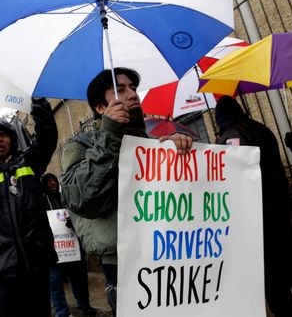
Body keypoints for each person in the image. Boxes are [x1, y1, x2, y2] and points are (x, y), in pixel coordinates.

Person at [60, 67, 193, 315]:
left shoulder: (153, 143)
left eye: (133, 88)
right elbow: (81, 199)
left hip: (167, 250)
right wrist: (110, 134)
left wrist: (179, 150)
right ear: (100, 108)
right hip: (122, 262)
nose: (132, 94)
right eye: (119, 90)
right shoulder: (80, 147)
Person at [0, 98, 58, 317]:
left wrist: (38, 104)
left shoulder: (28, 163)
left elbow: (47, 138)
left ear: (13, 140)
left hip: (34, 266)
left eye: (4, 134)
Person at [215, 95, 292, 317]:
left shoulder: (232, 135)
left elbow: (233, 173)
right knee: (291, 264)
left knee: (273, 279)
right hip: (278, 206)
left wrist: (220, 145)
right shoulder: (260, 127)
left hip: (258, 216)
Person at [41, 173, 96, 317]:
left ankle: (84, 305)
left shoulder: (67, 198)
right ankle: (62, 313)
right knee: (55, 284)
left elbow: (81, 217)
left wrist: (74, 221)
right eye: (49, 181)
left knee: (80, 280)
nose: (53, 183)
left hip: (73, 248)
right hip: (53, 251)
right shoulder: (40, 202)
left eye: (54, 180)